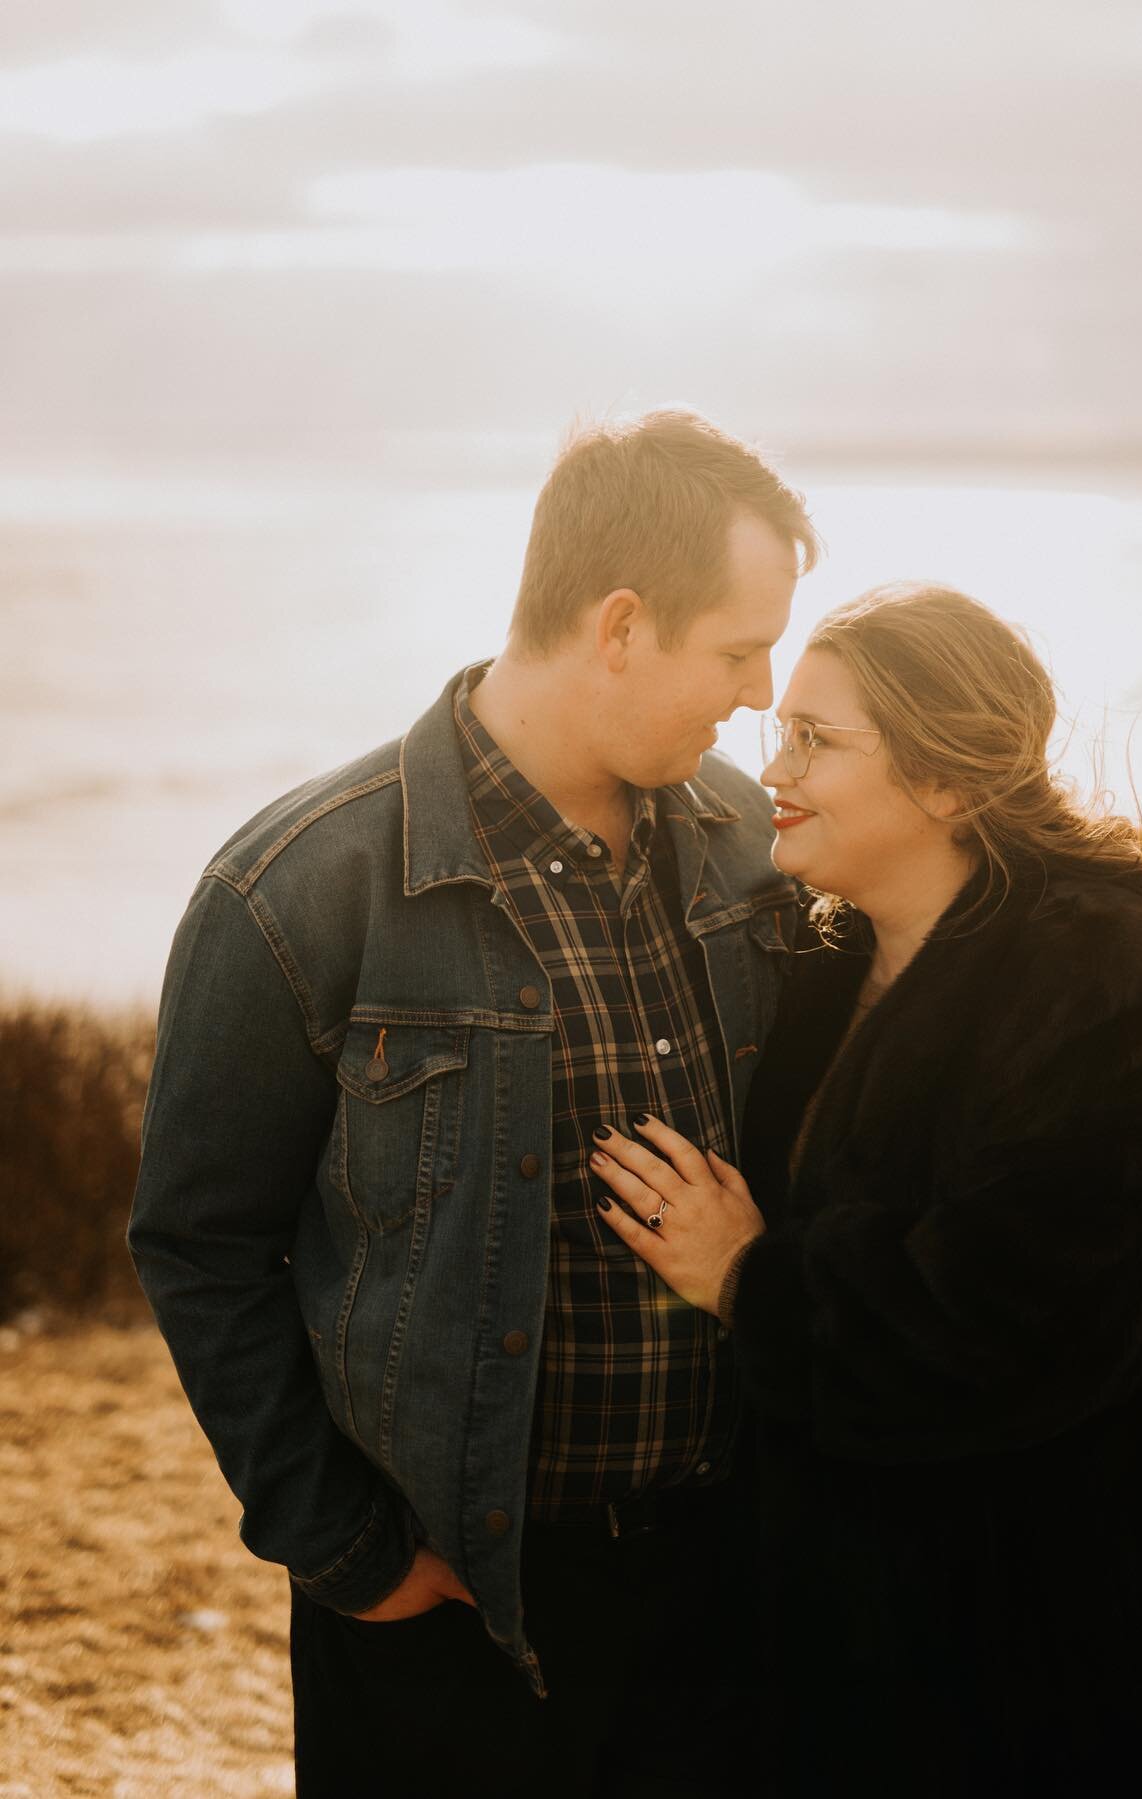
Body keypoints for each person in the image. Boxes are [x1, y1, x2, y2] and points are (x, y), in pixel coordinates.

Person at [127, 409, 817, 1797]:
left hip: (729, 1585)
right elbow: (200, 1243)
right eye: (740, 651)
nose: (758, 695)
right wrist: (350, 1555)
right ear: (620, 624)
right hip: (454, 1601)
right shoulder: (299, 887)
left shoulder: (754, 848)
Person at [588, 581, 1142, 1797]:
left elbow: (1012, 1329)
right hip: (873, 1654)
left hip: (1069, 1657)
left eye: (817, 737)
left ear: (950, 781)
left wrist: (752, 1277)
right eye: (781, 730)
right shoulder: (823, 961)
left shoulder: (1098, 974)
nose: (776, 766)